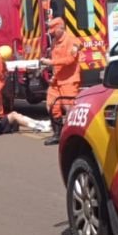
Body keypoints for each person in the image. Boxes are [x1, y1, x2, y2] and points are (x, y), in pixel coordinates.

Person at [41, 17, 81, 146]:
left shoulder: (73, 41)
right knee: (51, 105)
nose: (51, 32)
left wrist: (51, 62)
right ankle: (57, 134)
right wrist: (53, 75)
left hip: (69, 80)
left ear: (60, 28)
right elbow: (56, 62)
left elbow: (70, 60)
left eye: (53, 30)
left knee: (70, 108)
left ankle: (74, 136)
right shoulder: (54, 42)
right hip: (57, 80)